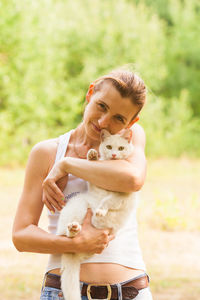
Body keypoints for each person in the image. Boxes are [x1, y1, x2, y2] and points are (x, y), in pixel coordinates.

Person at [12, 69, 153, 300]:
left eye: (119, 118)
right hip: (63, 292)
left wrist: (67, 165)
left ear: (132, 122)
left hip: (130, 291)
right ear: (90, 94)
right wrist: (74, 244)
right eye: (102, 106)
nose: (103, 122)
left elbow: (134, 179)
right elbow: (21, 235)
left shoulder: (130, 138)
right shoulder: (47, 152)